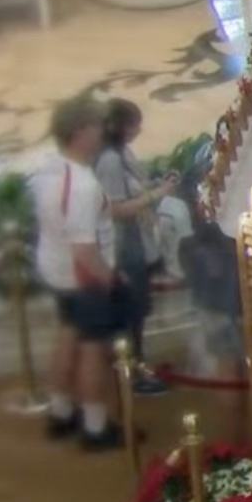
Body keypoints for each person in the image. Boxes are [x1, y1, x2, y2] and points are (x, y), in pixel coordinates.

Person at [34, 96, 124, 451]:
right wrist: (112, 280)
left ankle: (59, 412)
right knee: (92, 350)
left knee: (67, 335)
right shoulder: (85, 185)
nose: (103, 132)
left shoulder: (48, 169)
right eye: (97, 126)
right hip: (84, 278)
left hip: (56, 269)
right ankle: (95, 426)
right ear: (81, 132)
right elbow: (85, 250)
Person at [94, 99, 178, 394]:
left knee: (138, 311)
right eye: (133, 124)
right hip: (123, 246)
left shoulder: (118, 154)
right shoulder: (109, 160)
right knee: (132, 312)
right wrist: (158, 193)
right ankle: (133, 373)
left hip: (134, 242)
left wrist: (156, 184)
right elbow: (115, 209)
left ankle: (135, 366)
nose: (138, 130)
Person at [178, 182, 248, 441]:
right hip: (242, 289)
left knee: (227, 365)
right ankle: (241, 442)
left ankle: (234, 443)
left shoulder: (213, 166)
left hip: (215, 292)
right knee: (241, 368)